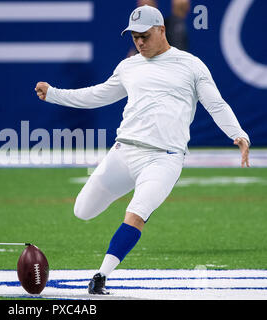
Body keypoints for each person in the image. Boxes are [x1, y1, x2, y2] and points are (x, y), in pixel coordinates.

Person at [34, 5, 250, 295]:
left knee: (135, 214)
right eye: (134, 36)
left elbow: (216, 104)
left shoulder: (191, 65)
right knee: (82, 211)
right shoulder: (129, 66)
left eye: (145, 35)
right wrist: (55, 95)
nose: (139, 42)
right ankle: (127, 194)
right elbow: (98, 95)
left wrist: (237, 134)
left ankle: (101, 275)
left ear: (162, 30)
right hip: (124, 153)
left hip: (164, 159)